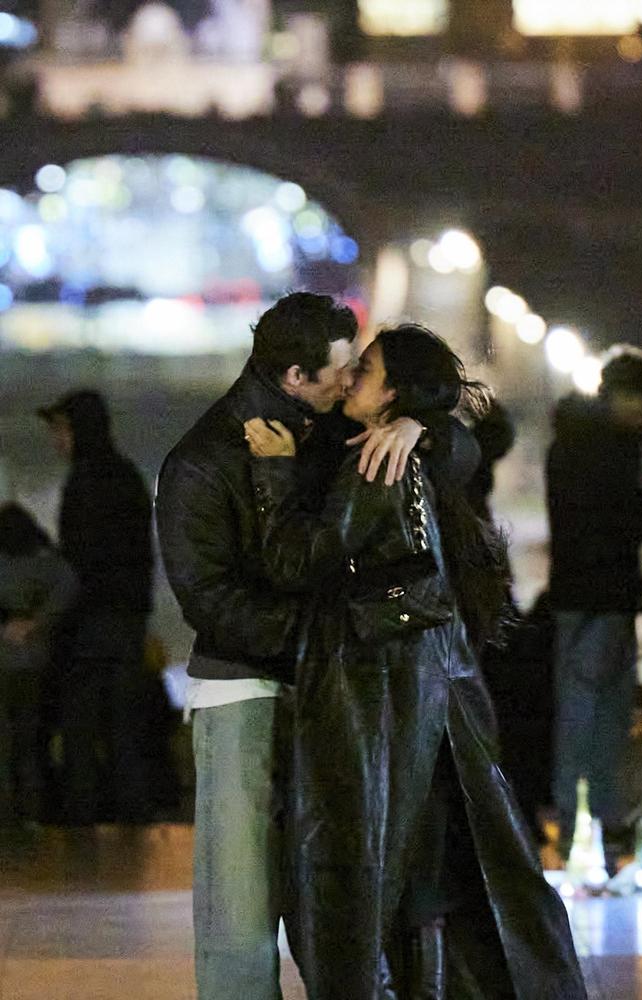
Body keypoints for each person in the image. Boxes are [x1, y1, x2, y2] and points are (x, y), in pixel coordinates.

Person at [244, 324, 587, 1000]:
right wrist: (415, 428)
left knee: (372, 871)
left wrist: (274, 473)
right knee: (429, 868)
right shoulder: (381, 447)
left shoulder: (377, 459)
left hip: (382, 692)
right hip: (422, 685)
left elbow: (300, 559)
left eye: (362, 370)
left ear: (392, 393)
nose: (346, 380)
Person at [155, 292, 426, 1000]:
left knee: (336, 895)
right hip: (245, 689)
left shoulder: (329, 429)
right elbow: (207, 599)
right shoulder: (203, 461)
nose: (349, 383)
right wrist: (318, 640)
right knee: (239, 907)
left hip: (327, 689)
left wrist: (418, 426)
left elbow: (474, 439)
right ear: (295, 375)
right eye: (340, 371)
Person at [546, 345, 642, 863]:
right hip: (597, 603)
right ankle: (588, 834)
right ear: (622, 396)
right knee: (594, 723)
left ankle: (581, 834)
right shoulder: (605, 449)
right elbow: (620, 521)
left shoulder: (575, 440)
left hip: (593, 602)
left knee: (589, 720)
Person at [37, 389, 154, 825]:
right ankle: (133, 828)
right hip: (126, 622)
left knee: (81, 729)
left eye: (60, 430)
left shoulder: (83, 483)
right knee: (125, 730)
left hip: (88, 626)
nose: (56, 441)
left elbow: (75, 565)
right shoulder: (126, 477)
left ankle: (82, 830)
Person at [0, 503, 77, 829]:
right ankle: (32, 812)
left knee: (6, 741)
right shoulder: (49, 565)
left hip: (4, 663)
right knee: (31, 741)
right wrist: (37, 623)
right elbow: (69, 588)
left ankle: (7, 811)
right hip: (35, 662)